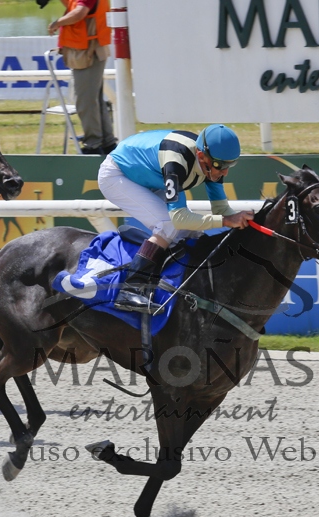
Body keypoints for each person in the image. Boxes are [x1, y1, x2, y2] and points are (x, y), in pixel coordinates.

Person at [97, 124, 255, 313]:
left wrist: (246, 222)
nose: (225, 172)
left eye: (230, 165)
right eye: (220, 166)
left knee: (193, 233)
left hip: (149, 175)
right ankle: (130, 289)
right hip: (117, 174)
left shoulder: (213, 160)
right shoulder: (177, 161)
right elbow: (179, 218)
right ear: (200, 156)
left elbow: (221, 210)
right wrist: (226, 221)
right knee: (168, 225)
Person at [46, 0, 118, 155]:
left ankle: (94, 144)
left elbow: (79, 13)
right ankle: (107, 143)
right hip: (87, 51)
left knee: (86, 102)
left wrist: (56, 23)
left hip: (88, 53)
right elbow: (74, 6)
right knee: (94, 101)